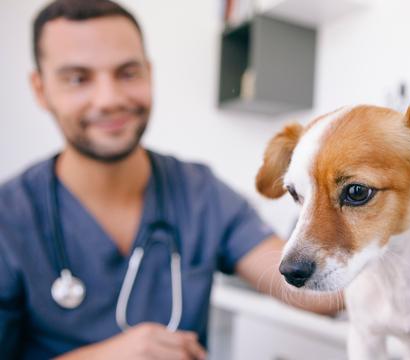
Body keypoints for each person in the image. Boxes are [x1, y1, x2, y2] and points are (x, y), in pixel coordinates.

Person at [0, 0, 342, 358]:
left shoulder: (200, 193)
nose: (110, 98)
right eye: (78, 79)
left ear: (149, 73)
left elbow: (312, 287)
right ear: (40, 89)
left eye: (127, 73)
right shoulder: (10, 218)